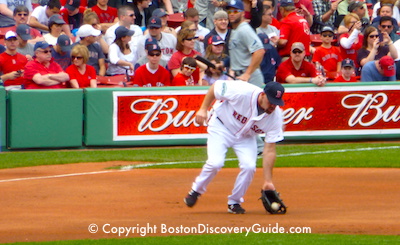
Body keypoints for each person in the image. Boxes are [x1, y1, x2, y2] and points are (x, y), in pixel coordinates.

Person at [183, 80, 286, 214]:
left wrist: (268, 181)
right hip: (221, 127)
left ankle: (234, 202)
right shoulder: (243, 91)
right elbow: (215, 88)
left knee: (249, 167)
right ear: (262, 95)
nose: (273, 105)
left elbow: (270, 149)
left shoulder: (275, 117)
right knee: (215, 163)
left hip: (246, 137)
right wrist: (203, 109)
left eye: (276, 102)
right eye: (271, 101)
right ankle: (196, 190)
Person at [226, 0, 265, 87]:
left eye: (235, 11)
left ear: (243, 13)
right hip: (238, 76)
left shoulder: (244, 29)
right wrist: (223, 64)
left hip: (250, 77)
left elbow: (259, 51)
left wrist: (247, 74)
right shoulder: (234, 30)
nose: (232, 14)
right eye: (229, 11)